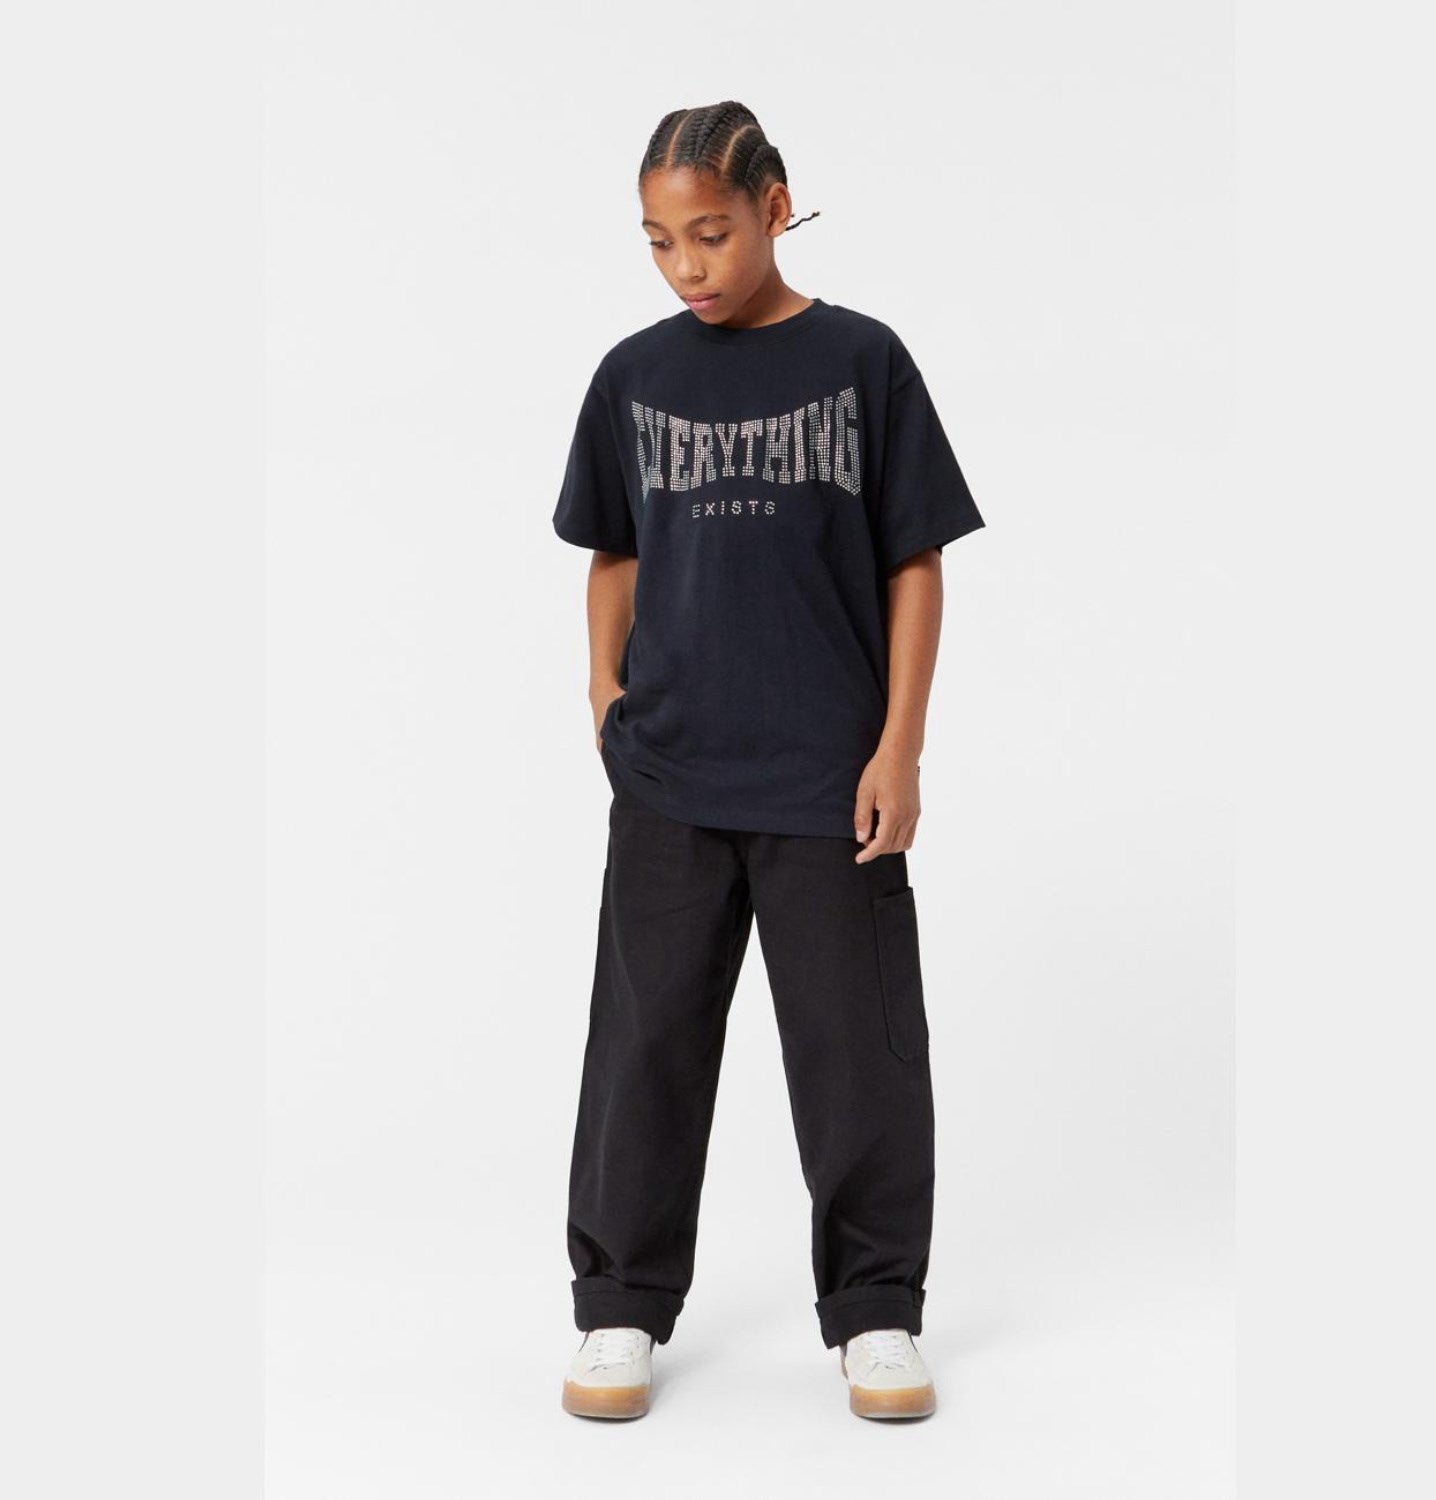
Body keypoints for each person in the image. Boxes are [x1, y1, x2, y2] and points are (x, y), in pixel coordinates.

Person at [551, 100, 986, 1422]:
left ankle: (876, 1313)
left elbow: (915, 563)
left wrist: (900, 745)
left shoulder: (864, 361)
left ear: (776, 208)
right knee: (644, 1048)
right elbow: (614, 551)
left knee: (859, 1054)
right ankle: (619, 1307)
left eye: (711, 233)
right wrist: (606, 696)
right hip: (671, 776)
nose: (687, 266)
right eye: (659, 241)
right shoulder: (634, 376)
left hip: (826, 779)